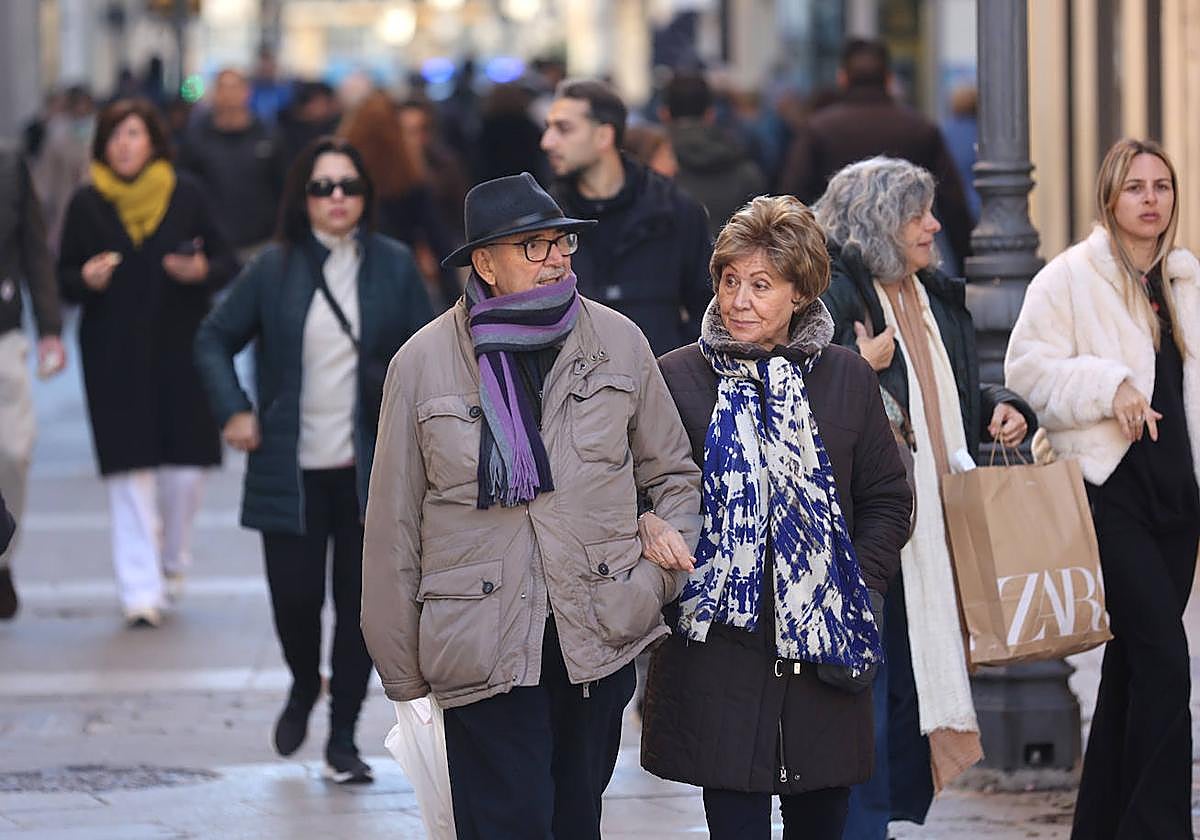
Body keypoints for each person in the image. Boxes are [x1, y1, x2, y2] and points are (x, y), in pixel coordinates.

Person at [360, 172, 702, 838]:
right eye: (534, 246)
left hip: (596, 633)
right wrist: (402, 674)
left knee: (576, 820)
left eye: (562, 242)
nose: (556, 258)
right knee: (509, 824)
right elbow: (391, 526)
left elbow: (675, 477)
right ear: (485, 263)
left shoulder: (619, 342)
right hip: (480, 644)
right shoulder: (423, 362)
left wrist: (653, 580)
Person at [638, 195, 912, 839]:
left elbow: (887, 500)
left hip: (825, 656)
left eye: (761, 285)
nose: (739, 301)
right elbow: (633, 489)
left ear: (799, 293)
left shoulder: (846, 377)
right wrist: (649, 522)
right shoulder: (675, 378)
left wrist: (858, 585)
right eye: (730, 281)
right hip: (720, 656)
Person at [193, 136, 433, 784]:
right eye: (323, 187)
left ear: (365, 196)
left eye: (349, 186)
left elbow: (432, 349)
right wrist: (234, 409)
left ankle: (341, 738)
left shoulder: (391, 265)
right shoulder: (274, 268)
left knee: (361, 611)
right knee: (295, 602)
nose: (336, 199)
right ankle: (304, 682)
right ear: (302, 199)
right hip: (290, 470)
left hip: (369, 474)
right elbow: (214, 336)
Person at [812, 157, 1035, 838]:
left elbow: (952, 397)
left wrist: (1000, 403)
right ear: (880, 223)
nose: (935, 225)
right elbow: (804, 398)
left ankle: (877, 819)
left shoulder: (933, 294)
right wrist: (858, 366)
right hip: (869, 530)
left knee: (902, 688)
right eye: (918, 214)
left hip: (933, 528)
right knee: (866, 695)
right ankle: (859, 825)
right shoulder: (836, 298)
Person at [1005, 138, 1200, 840]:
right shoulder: (1069, 279)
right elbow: (1026, 371)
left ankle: (1103, 825)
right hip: (1110, 496)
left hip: (1180, 505)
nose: (1151, 199)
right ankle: (1157, 828)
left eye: (1163, 186)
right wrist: (1106, 384)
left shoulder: (1185, 281)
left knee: (1134, 665)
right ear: (1108, 200)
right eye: (1135, 187)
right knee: (1165, 661)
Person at [57, 99, 236, 628]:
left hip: (182, 349)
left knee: (186, 474)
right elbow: (62, 273)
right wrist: (84, 279)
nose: (123, 145)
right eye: (114, 136)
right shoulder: (88, 203)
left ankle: (171, 558)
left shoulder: (186, 194)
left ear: (153, 141)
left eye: (133, 134)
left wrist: (200, 268)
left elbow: (227, 260)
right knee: (127, 469)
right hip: (114, 354)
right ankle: (139, 588)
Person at [542, 78, 714, 357]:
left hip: (658, 387)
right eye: (548, 128)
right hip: (573, 391)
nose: (547, 142)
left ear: (603, 136)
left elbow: (707, 308)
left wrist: (674, 367)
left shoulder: (676, 211)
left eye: (564, 129)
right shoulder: (545, 219)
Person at [780, 39, 973, 272]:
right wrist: (966, 260)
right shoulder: (920, 129)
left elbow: (792, 197)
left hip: (836, 261)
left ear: (842, 78)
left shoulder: (818, 129)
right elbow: (952, 202)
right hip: (905, 259)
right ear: (889, 80)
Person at [0, 140, 67, 620]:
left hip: (3, 331)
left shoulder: (7, 164)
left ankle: (2, 556)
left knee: (13, 450)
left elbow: (33, 247)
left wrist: (50, 328)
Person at [339, 91, 460, 308]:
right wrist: (455, 298)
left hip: (350, 270)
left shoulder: (342, 175)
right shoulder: (408, 172)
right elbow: (438, 237)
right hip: (401, 270)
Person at [178, 68, 287, 260]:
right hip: (213, 247)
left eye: (234, 87)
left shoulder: (268, 135)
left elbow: (283, 188)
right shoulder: (196, 138)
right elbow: (185, 190)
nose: (229, 95)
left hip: (261, 243)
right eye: (223, 88)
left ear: (247, 92)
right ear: (214, 94)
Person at [660, 70, 766, 239]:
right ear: (710, 115)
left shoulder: (651, 165)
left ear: (664, 114)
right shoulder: (744, 165)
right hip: (730, 259)